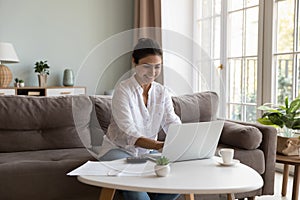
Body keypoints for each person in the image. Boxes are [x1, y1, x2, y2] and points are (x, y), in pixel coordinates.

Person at [98, 38, 181, 200]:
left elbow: (172, 122)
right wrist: (159, 145)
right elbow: (129, 133)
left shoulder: (162, 92)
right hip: (118, 151)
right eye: (146, 66)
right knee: (137, 192)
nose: (152, 72)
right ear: (134, 62)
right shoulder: (123, 90)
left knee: (178, 185)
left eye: (157, 67)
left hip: (147, 153)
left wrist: (182, 139)